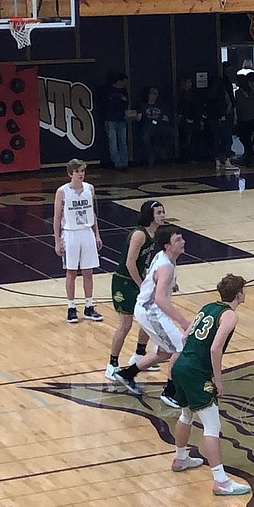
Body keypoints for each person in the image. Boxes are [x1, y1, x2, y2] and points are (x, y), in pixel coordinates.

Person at [165, 274, 252, 494]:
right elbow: (215, 348)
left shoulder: (207, 307)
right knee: (212, 426)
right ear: (238, 293)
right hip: (196, 373)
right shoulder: (230, 315)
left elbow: (185, 338)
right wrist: (218, 379)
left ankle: (180, 458)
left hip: (181, 366)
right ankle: (221, 482)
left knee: (186, 414)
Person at [115, 224, 191, 403]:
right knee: (181, 347)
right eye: (177, 240)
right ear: (167, 245)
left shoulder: (162, 256)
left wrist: (168, 284)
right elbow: (160, 300)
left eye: (181, 238)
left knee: (164, 352)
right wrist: (183, 320)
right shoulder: (167, 267)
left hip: (146, 308)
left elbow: (152, 275)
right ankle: (169, 392)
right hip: (151, 310)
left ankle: (127, 374)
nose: (183, 242)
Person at [105, 198, 163, 383]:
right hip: (124, 281)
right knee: (125, 324)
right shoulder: (139, 235)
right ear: (150, 215)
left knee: (148, 318)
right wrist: (142, 284)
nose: (163, 215)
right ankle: (112, 364)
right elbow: (130, 263)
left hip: (137, 279)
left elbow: (142, 263)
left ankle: (139, 355)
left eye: (163, 212)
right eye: (159, 213)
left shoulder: (153, 233)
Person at [53, 159, 102, 324]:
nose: (81, 174)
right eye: (77, 171)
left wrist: (97, 234)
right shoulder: (62, 191)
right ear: (70, 173)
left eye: (82, 171)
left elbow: (93, 214)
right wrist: (57, 241)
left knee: (88, 272)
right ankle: (71, 308)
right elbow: (57, 217)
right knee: (71, 272)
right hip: (70, 233)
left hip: (87, 231)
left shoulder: (90, 188)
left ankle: (89, 306)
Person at [101, 74, 131, 170]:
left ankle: (124, 163)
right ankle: (118, 164)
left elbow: (125, 104)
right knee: (113, 143)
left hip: (121, 119)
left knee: (123, 143)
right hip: (110, 120)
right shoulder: (108, 90)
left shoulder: (124, 92)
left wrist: (116, 100)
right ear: (119, 81)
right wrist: (119, 100)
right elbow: (108, 104)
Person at [136, 86, 169, 166]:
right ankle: (151, 155)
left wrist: (165, 118)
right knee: (145, 137)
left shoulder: (160, 106)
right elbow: (139, 118)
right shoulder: (143, 106)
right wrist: (135, 116)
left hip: (159, 125)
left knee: (172, 133)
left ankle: (163, 153)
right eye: (151, 94)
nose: (152, 96)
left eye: (154, 95)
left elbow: (166, 118)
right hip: (147, 125)